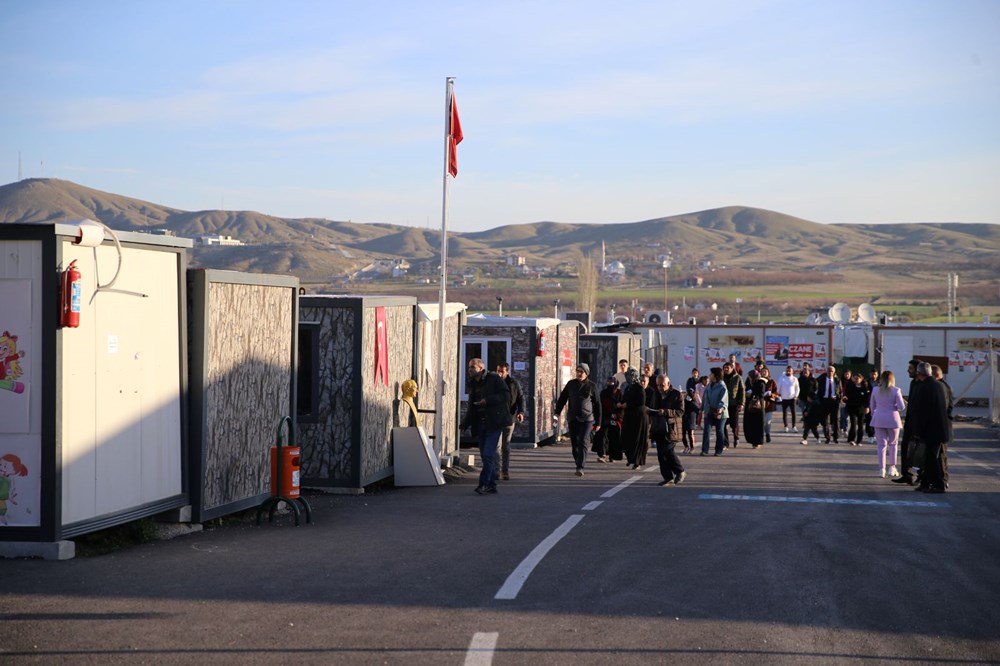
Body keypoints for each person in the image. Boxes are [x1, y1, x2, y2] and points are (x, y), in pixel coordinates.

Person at [463, 358, 512, 495]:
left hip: (494, 422)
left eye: (473, 367)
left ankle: (483, 484)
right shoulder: (473, 383)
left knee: (488, 453)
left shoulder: (493, 378)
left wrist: (487, 401)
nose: (470, 370)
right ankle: (492, 485)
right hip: (480, 423)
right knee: (485, 456)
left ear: (480, 368)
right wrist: (465, 423)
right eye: (469, 367)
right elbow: (471, 407)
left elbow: (506, 395)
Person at [908, 362, 951, 493]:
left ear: (920, 373)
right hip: (939, 428)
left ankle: (938, 484)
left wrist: (917, 431)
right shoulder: (939, 385)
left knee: (932, 457)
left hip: (930, 429)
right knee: (929, 457)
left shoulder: (924, 388)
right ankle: (926, 482)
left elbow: (921, 411)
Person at [554, 363, 602, 477]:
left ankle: (580, 466)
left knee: (583, 441)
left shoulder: (592, 386)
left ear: (586, 373)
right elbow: (562, 399)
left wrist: (598, 422)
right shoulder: (571, 384)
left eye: (581, 371)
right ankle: (578, 461)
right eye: (578, 371)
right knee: (575, 443)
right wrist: (557, 413)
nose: (579, 373)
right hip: (573, 418)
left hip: (587, 419)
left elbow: (598, 405)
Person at [649, 374, 687, 486]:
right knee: (661, 454)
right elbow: (653, 408)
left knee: (667, 450)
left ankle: (680, 471)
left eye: (662, 385)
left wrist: (666, 412)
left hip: (672, 428)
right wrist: (648, 410)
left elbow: (680, 411)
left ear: (668, 384)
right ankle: (668, 477)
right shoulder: (656, 394)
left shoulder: (676, 394)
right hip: (659, 427)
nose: (660, 388)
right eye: (658, 385)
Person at [892, 358, 924, 486]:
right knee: (905, 447)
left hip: (919, 424)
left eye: (910, 368)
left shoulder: (923, 385)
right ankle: (906, 474)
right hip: (910, 422)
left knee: (918, 451)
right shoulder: (913, 383)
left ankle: (921, 475)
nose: (907, 371)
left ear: (918, 370)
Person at [869, 370, 906, 478]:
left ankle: (882, 469)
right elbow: (901, 407)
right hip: (893, 419)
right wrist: (893, 407)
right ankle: (892, 467)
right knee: (893, 444)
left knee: (881, 445)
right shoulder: (896, 390)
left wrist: (874, 414)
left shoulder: (875, 390)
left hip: (879, 418)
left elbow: (872, 406)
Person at [496, 362, 525, 480]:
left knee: (506, 446)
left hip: (509, 418)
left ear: (507, 371)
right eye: (498, 371)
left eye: (502, 371)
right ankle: (496, 471)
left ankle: (505, 471)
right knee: (496, 446)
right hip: (496, 418)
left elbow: (521, 398)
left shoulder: (513, 383)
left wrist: (521, 412)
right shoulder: (494, 383)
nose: (499, 374)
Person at [619, 368, 649, 469]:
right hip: (629, 416)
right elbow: (624, 398)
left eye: (629, 376)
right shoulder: (628, 388)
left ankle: (637, 461)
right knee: (626, 437)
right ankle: (630, 457)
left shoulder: (639, 388)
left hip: (638, 417)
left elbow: (641, 402)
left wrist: (627, 404)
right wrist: (621, 403)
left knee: (637, 439)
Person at [701, 367, 729, 456]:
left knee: (720, 431)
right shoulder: (709, 385)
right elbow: (705, 398)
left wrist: (720, 408)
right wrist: (701, 409)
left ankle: (718, 450)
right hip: (709, 411)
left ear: (716, 375)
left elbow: (723, 400)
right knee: (706, 431)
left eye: (711, 374)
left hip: (720, 413)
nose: (709, 376)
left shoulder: (722, 386)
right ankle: (705, 450)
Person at [597, 376, 624, 462]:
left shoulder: (619, 393)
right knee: (603, 435)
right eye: (609, 382)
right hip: (605, 417)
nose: (610, 384)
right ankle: (603, 454)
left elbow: (622, 405)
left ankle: (612, 456)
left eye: (612, 382)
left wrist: (617, 414)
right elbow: (600, 405)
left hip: (616, 418)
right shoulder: (604, 393)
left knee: (614, 437)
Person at [816, 365, 843, 443]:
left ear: (834, 372)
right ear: (826, 371)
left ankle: (835, 437)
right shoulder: (821, 379)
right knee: (825, 420)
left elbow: (840, 391)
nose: (830, 372)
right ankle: (827, 437)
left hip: (834, 401)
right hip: (824, 401)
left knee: (836, 420)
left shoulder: (837, 380)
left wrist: (839, 399)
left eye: (832, 371)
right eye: (829, 371)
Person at [722, 362, 745, 448]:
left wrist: (741, 403)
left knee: (734, 424)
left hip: (734, 405)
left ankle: (736, 438)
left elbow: (742, 391)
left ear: (732, 368)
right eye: (725, 368)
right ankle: (725, 443)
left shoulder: (738, 377)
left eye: (727, 368)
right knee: (723, 424)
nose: (726, 369)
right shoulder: (721, 377)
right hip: (724, 405)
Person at [844, 372, 870, 446]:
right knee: (853, 424)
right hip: (852, 408)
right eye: (855, 378)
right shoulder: (851, 386)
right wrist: (845, 399)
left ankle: (859, 441)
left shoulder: (865, 387)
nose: (856, 380)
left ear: (861, 379)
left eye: (858, 378)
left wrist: (867, 407)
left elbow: (867, 398)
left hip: (861, 409)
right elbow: (847, 396)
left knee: (861, 425)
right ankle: (852, 439)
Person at [743, 370, 767, 448]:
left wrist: (752, 393)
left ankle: (757, 442)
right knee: (750, 424)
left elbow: (762, 394)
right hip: (749, 406)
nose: (749, 378)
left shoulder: (761, 382)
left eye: (750, 376)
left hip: (758, 406)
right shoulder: (749, 382)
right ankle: (752, 440)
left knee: (758, 425)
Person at [777, 365, 800, 433]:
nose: (788, 371)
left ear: (792, 372)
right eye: (787, 370)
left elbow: (797, 388)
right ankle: (786, 426)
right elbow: (778, 387)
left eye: (790, 370)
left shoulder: (794, 379)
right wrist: (778, 395)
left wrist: (796, 396)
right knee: (785, 413)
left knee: (793, 413)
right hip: (784, 398)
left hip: (792, 398)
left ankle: (794, 426)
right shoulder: (782, 378)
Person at [682, 369, 701, 453]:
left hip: (691, 418)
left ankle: (692, 447)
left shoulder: (699, 381)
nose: (695, 374)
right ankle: (686, 446)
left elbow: (697, 410)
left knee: (690, 433)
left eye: (696, 373)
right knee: (682, 434)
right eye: (693, 372)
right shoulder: (690, 380)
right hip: (684, 417)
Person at [759, 366, 778, 443]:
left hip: (769, 405)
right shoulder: (758, 381)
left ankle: (767, 434)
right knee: (760, 421)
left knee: (767, 421)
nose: (764, 373)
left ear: (768, 373)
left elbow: (776, 393)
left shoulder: (772, 382)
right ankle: (760, 436)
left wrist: (771, 395)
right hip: (760, 405)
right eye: (762, 371)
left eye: (765, 371)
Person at [865, 368, 880, 443]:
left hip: (879, 403)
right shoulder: (866, 383)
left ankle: (876, 434)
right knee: (869, 419)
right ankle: (870, 435)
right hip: (869, 403)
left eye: (875, 374)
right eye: (872, 374)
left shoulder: (880, 383)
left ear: (877, 375)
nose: (873, 375)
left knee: (878, 420)